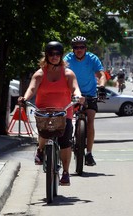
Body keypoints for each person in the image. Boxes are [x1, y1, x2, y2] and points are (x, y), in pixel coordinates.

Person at [18, 41, 84, 186]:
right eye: (51, 54)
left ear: (61, 56)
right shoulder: (40, 73)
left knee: (65, 141)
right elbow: (32, 88)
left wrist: (78, 96)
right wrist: (25, 98)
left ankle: (65, 173)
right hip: (44, 111)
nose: (54, 57)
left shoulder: (67, 73)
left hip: (63, 112)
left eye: (58, 54)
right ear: (46, 56)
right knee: (44, 132)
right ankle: (40, 150)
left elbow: (75, 88)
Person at [64, 36, 107, 166]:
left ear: (85, 48)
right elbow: (61, 73)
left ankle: (88, 153)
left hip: (89, 94)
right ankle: (64, 143)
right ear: (73, 49)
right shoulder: (67, 59)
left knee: (90, 120)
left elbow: (101, 75)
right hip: (71, 94)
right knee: (65, 120)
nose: (79, 50)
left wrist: (102, 87)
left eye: (81, 47)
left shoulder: (92, 58)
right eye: (76, 47)